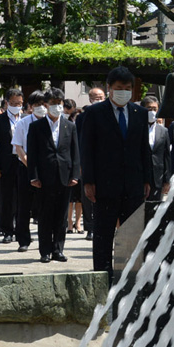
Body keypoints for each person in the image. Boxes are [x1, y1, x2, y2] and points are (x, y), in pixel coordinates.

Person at [80, 67, 153, 276]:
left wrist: (147, 179)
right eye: (119, 88)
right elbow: (87, 149)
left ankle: (130, 276)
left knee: (132, 235)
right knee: (103, 233)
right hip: (104, 185)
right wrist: (88, 181)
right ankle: (102, 277)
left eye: (128, 88)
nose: (123, 92)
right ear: (109, 88)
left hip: (133, 183)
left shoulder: (140, 113)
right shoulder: (94, 113)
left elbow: (144, 149)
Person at [28, 87, 80, 263]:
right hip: (44, 177)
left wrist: (75, 175)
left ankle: (58, 249)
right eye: (53, 104)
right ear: (45, 105)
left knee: (61, 215)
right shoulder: (36, 127)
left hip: (65, 176)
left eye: (59, 104)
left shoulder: (70, 126)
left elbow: (75, 152)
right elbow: (32, 154)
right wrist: (33, 176)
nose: (57, 107)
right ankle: (45, 251)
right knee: (45, 215)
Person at [11, 90, 45, 253]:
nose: (41, 108)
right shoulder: (23, 123)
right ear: (30, 107)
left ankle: (46, 240)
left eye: (44, 105)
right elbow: (18, 147)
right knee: (23, 206)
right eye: (37, 105)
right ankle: (23, 239)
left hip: (46, 170)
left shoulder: (51, 122)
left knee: (44, 206)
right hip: (25, 168)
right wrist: (30, 166)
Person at [0, 88, 24, 242]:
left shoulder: (26, 118)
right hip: (6, 163)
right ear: (7, 103)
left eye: (20, 103)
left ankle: (21, 229)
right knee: (7, 198)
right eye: (14, 103)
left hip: (23, 162)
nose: (17, 106)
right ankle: (7, 230)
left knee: (22, 198)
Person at [75, 86, 106, 242]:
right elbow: (79, 141)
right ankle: (89, 228)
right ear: (89, 99)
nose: (97, 99)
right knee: (87, 197)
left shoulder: (109, 115)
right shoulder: (82, 117)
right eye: (94, 97)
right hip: (87, 162)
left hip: (105, 163)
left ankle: (103, 226)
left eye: (100, 97)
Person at [141, 95, 171, 202]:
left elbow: (167, 156)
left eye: (155, 109)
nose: (152, 111)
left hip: (157, 178)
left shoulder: (163, 131)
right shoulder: (136, 128)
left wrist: (167, 180)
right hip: (140, 177)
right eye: (149, 109)